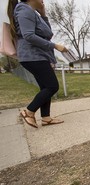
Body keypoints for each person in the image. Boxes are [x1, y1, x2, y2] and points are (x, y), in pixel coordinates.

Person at [8, 0, 68, 128]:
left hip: (39, 56)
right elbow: (28, 35)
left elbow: (48, 34)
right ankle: (29, 112)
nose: (42, 0)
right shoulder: (24, 10)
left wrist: (43, 15)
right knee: (52, 86)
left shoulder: (33, 13)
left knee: (45, 86)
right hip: (32, 56)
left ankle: (46, 118)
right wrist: (55, 46)